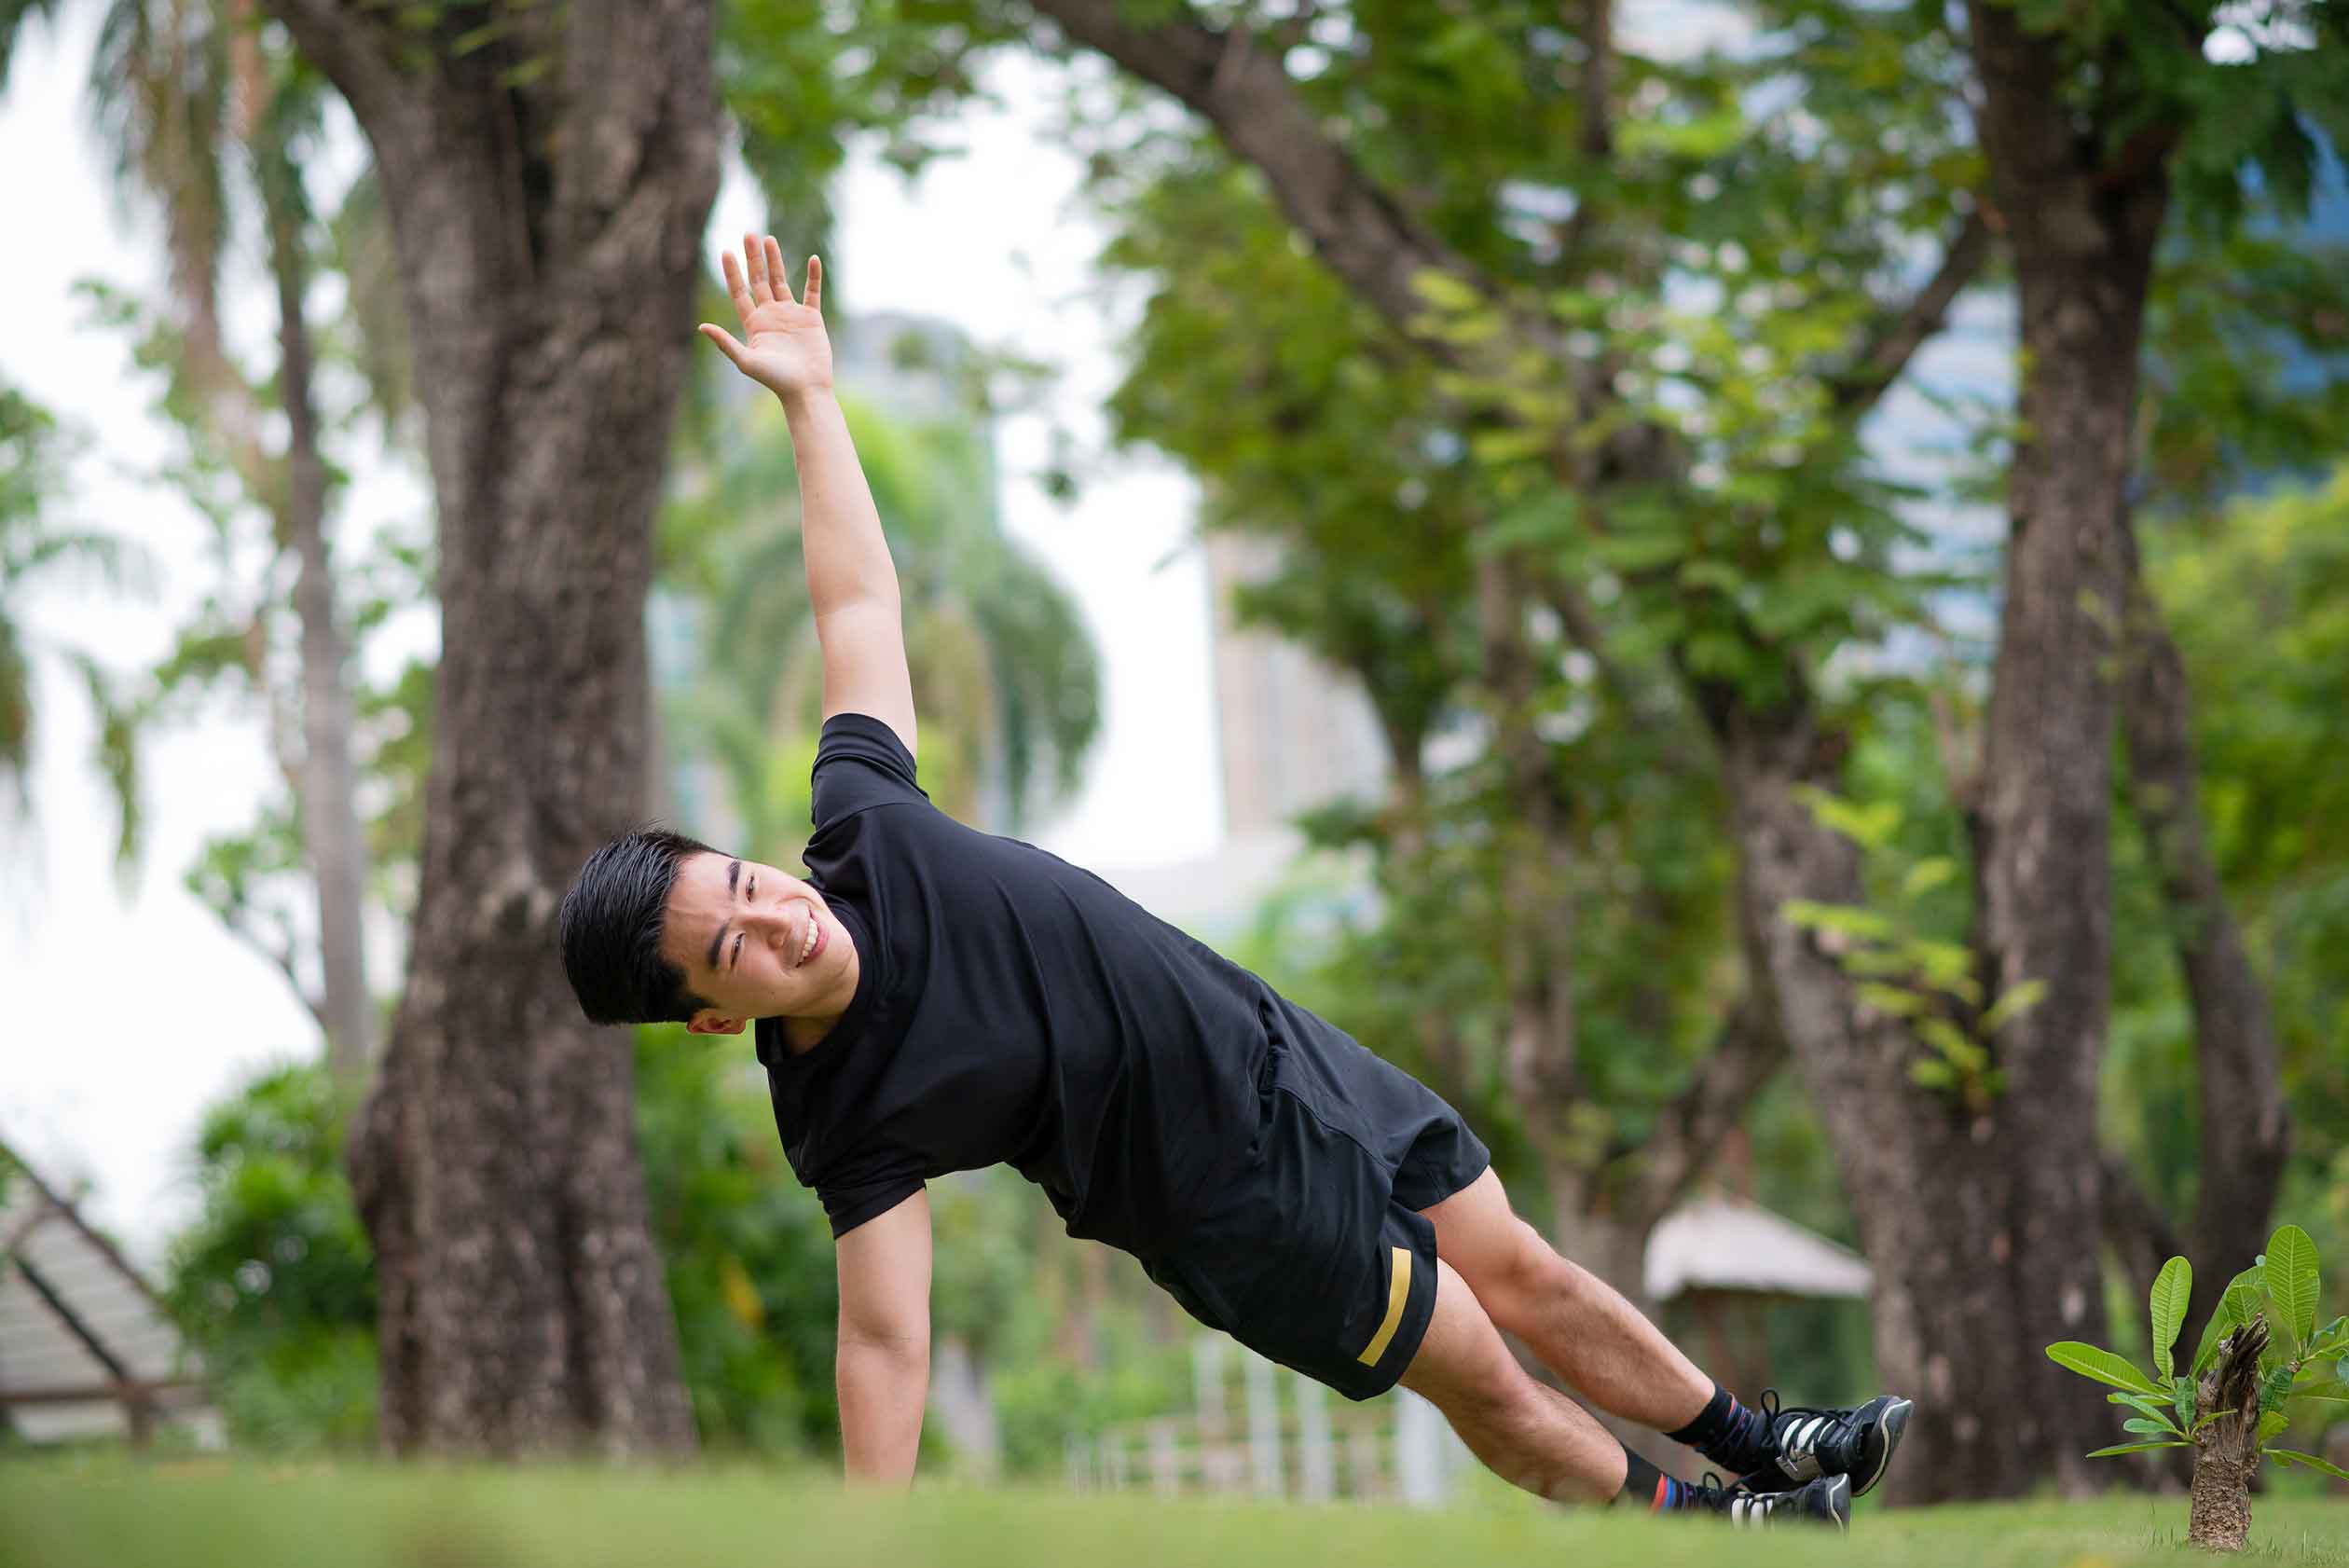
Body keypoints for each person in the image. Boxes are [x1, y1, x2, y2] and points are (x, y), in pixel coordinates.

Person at [558, 236, 1910, 1526]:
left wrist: (812, 404)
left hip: (1271, 1038)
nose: (773, 915)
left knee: (1526, 1267)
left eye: (739, 880)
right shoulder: (846, 1109)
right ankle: (1714, 1525)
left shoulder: (862, 827)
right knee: (1483, 1367)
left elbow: (857, 606)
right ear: (715, 1016)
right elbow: (885, 1337)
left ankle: (1770, 1445)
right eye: (731, 947)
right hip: (1232, 1199)